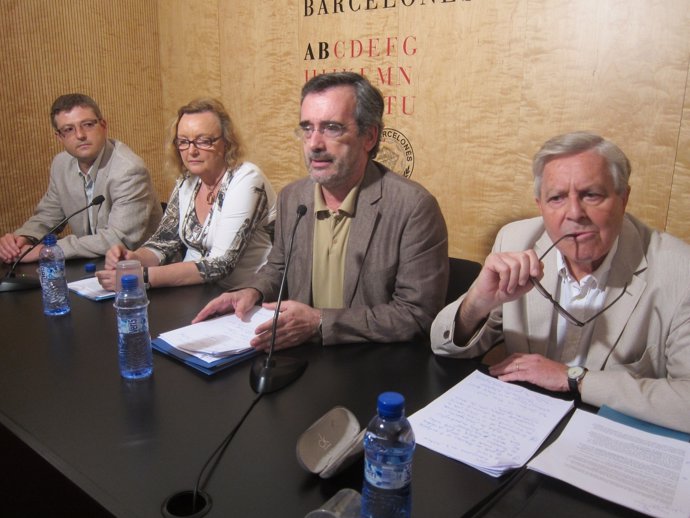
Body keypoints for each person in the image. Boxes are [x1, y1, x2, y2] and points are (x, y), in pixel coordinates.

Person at [431, 131, 690, 433]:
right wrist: (478, 302)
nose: (575, 214)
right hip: (521, 427)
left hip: (610, 437)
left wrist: (575, 378)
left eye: (591, 195)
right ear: (540, 205)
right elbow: (443, 345)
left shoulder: (678, 270)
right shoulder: (515, 241)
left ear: (623, 198)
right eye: (556, 198)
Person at [193, 72, 448, 350]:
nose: (314, 143)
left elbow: (417, 315)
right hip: (301, 356)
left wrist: (319, 322)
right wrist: (251, 291)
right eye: (307, 128)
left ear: (370, 136)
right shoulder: (293, 197)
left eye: (332, 128)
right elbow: (278, 268)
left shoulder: (413, 207)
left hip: (373, 363)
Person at [95, 98, 276, 291]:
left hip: (243, 297)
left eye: (203, 141)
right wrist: (133, 260)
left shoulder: (247, 179)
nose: (192, 151)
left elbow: (220, 264)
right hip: (196, 293)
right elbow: (163, 242)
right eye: (183, 142)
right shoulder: (187, 181)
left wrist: (143, 276)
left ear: (226, 142)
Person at [0, 93, 162, 263]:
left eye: (87, 125)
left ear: (103, 125)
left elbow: (119, 238)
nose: (80, 135)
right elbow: (48, 216)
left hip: (137, 269)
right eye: (68, 129)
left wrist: (49, 251)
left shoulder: (129, 170)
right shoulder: (61, 165)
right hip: (91, 266)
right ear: (60, 137)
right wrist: (21, 240)